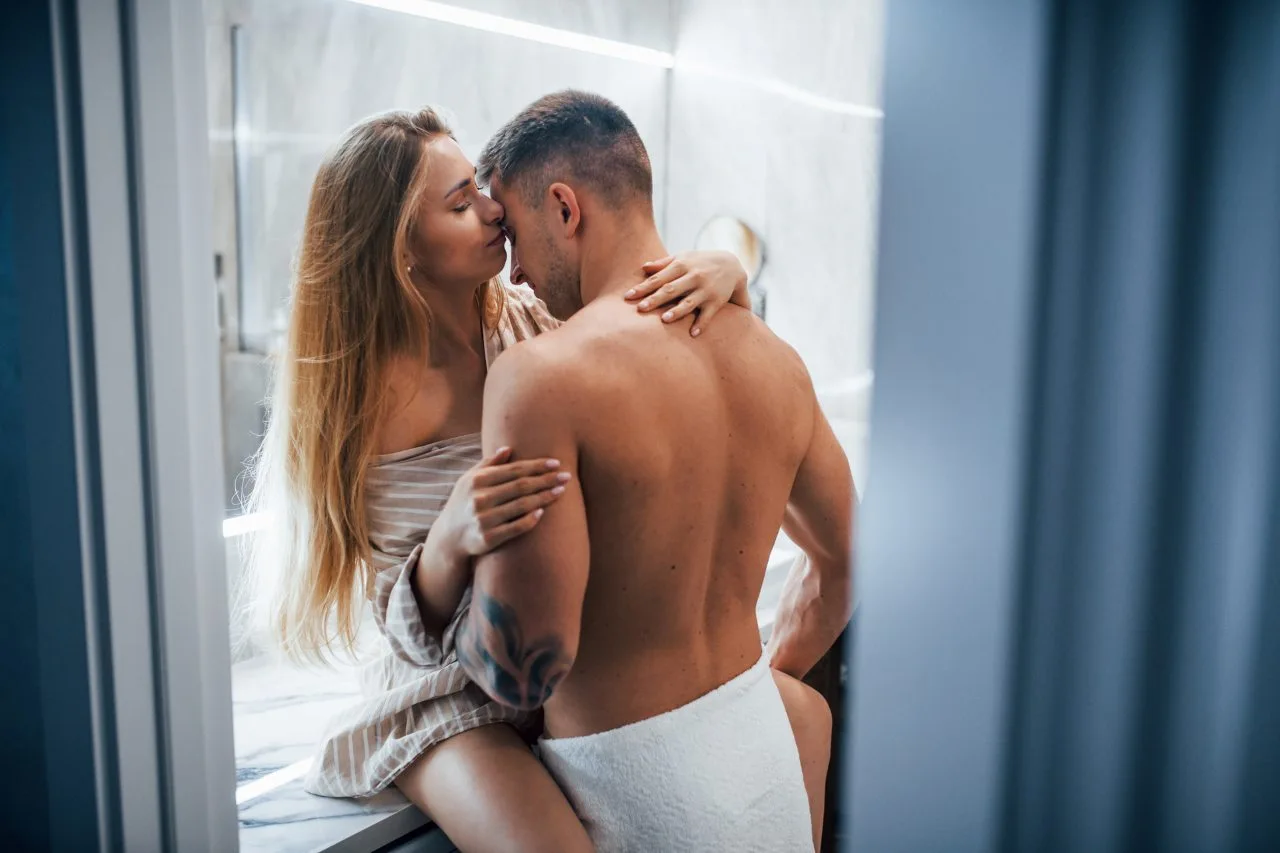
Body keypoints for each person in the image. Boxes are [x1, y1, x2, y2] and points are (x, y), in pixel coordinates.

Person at [246, 105, 816, 852]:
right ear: (399, 247)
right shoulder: (367, 405)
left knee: (799, 713)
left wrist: (722, 269)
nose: (493, 210)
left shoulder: (524, 321)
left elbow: (627, 329)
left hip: (552, 677)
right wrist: (448, 543)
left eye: (479, 189)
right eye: (461, 204)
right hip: (447, 700)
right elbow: (404, 636)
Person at [455, 90, 856, 852]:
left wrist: (434, 572)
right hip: (764, 764)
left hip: (639, 802)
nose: (514, 273)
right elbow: (847, 556)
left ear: (565, 208)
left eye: (515, 236)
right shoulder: (777, 361)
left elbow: (521, 674)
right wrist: (759, 685)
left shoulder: (541, 376)